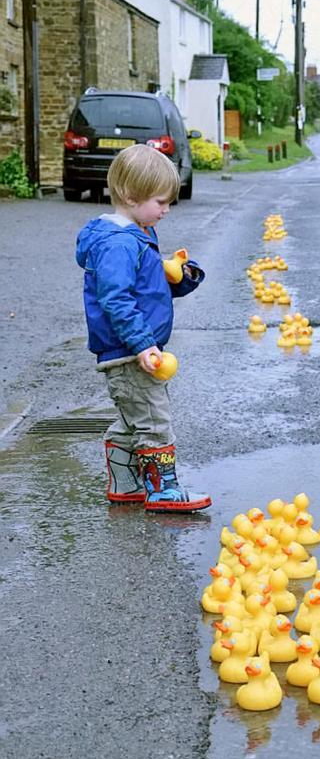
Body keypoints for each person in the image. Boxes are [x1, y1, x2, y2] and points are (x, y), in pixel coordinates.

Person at [75, 144, 211, 513]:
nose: (166, 209)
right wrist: (142, 344)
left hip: (133, 348)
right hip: (130, 351)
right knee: (154, 420)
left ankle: (125, 483)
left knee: (133, 420)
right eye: (161, 201)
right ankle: (163, 490)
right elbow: (116, 299)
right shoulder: (118, 245)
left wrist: (181, 277)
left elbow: (147, 288)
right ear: (131, 196)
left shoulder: (136, 233)